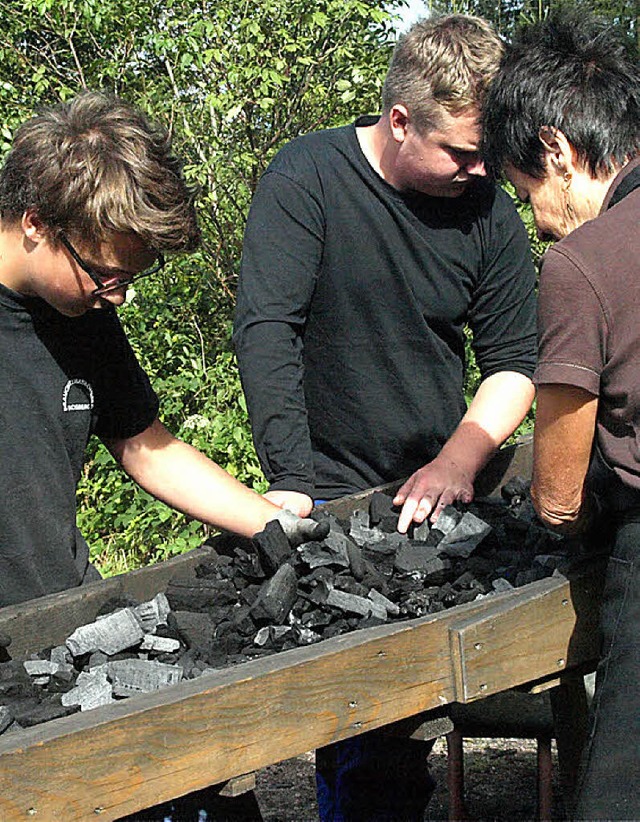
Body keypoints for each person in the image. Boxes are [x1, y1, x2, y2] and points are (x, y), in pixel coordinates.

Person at [233, 14, 538, 821]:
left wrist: (460, 458)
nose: (481, 172)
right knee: (359, 733)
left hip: (433, 490)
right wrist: (292, 482)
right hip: (325, 484)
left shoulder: (488, 213)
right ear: (400, 121)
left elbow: (514, 362)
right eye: (462, 153)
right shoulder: (307, 179)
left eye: (489, 156)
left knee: (395, 738)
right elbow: (268, 331)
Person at [0, 91, 326, 820]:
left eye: (131, 280)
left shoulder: (81, 316)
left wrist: (272, 525)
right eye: (106, 274)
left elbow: (147, 448)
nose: (118, 298)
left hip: (62, 624)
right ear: (35, 224)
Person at [482, 11, 640, 820]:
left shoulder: (581, 262)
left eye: (525, 191)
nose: (537, 217)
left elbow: (557, 494)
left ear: (557, 149)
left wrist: (560, 520)